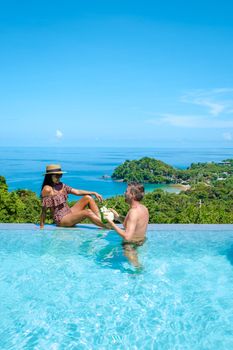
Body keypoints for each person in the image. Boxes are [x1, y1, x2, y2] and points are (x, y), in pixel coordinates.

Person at [40, 164, 107, 229]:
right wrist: (41, 226)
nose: (59, 177)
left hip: (69, 212)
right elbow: (44, 210)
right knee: (87, 212)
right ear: (49, 176)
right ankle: (108, 226)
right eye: (57, 176)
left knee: (88, 197)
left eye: (60, 175)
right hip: (61, 219)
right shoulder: (47, 189)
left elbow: (77, 192)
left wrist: (94, 193)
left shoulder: (61, 185)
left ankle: (101, 221)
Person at [106, 182, 149, 267]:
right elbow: (132, 224)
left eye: (126, 191)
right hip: (140, 241)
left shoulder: (133, 212)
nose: (124, 193)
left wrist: (111, 224)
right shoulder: (143, 208)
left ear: (132, 194)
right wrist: (117, 217)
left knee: (136, 268)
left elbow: (127, 237)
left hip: (130, 245)